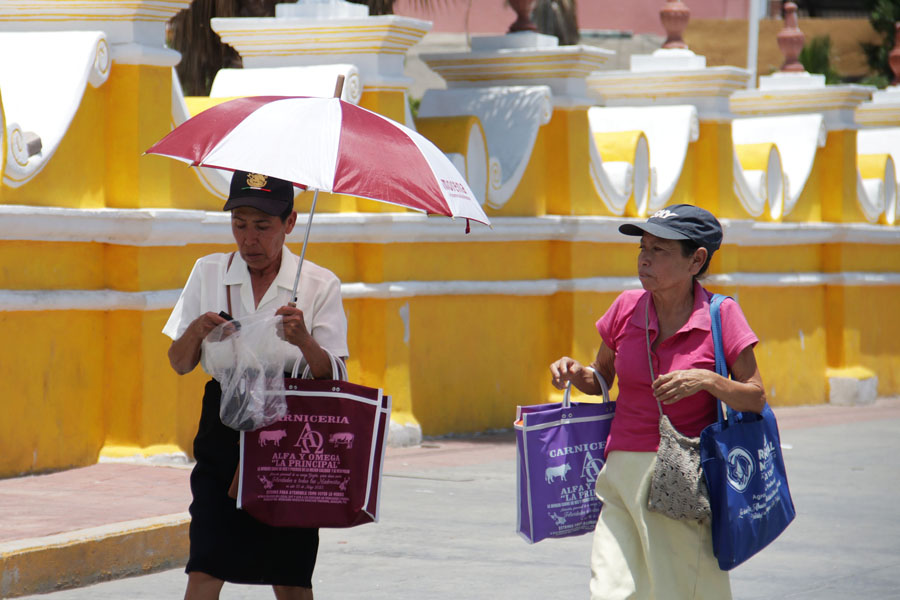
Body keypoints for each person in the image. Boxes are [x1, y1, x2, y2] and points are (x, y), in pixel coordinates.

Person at [549, 204, 766, 600]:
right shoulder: (625, 308)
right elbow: (601, 377)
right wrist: (574, 373)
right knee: (611, 588)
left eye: (659, 250)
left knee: (678, 590)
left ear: (695, 260)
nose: (644, 258)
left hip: (680, 477)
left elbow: (755, 397)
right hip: (619, 472)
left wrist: (709, 380)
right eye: (642, 247)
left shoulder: (722, 314)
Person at [163, 170, 349, 600]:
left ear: (290, 223)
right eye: (239, 224)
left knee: (290, 575)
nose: (249, 238)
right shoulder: (207, 272)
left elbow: (335, 376)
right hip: (223, 428)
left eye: (263, 226)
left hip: (291, 435)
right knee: (206, 564)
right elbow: (178, 363)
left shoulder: (318, 284)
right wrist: (198, 330)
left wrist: (303, 340)